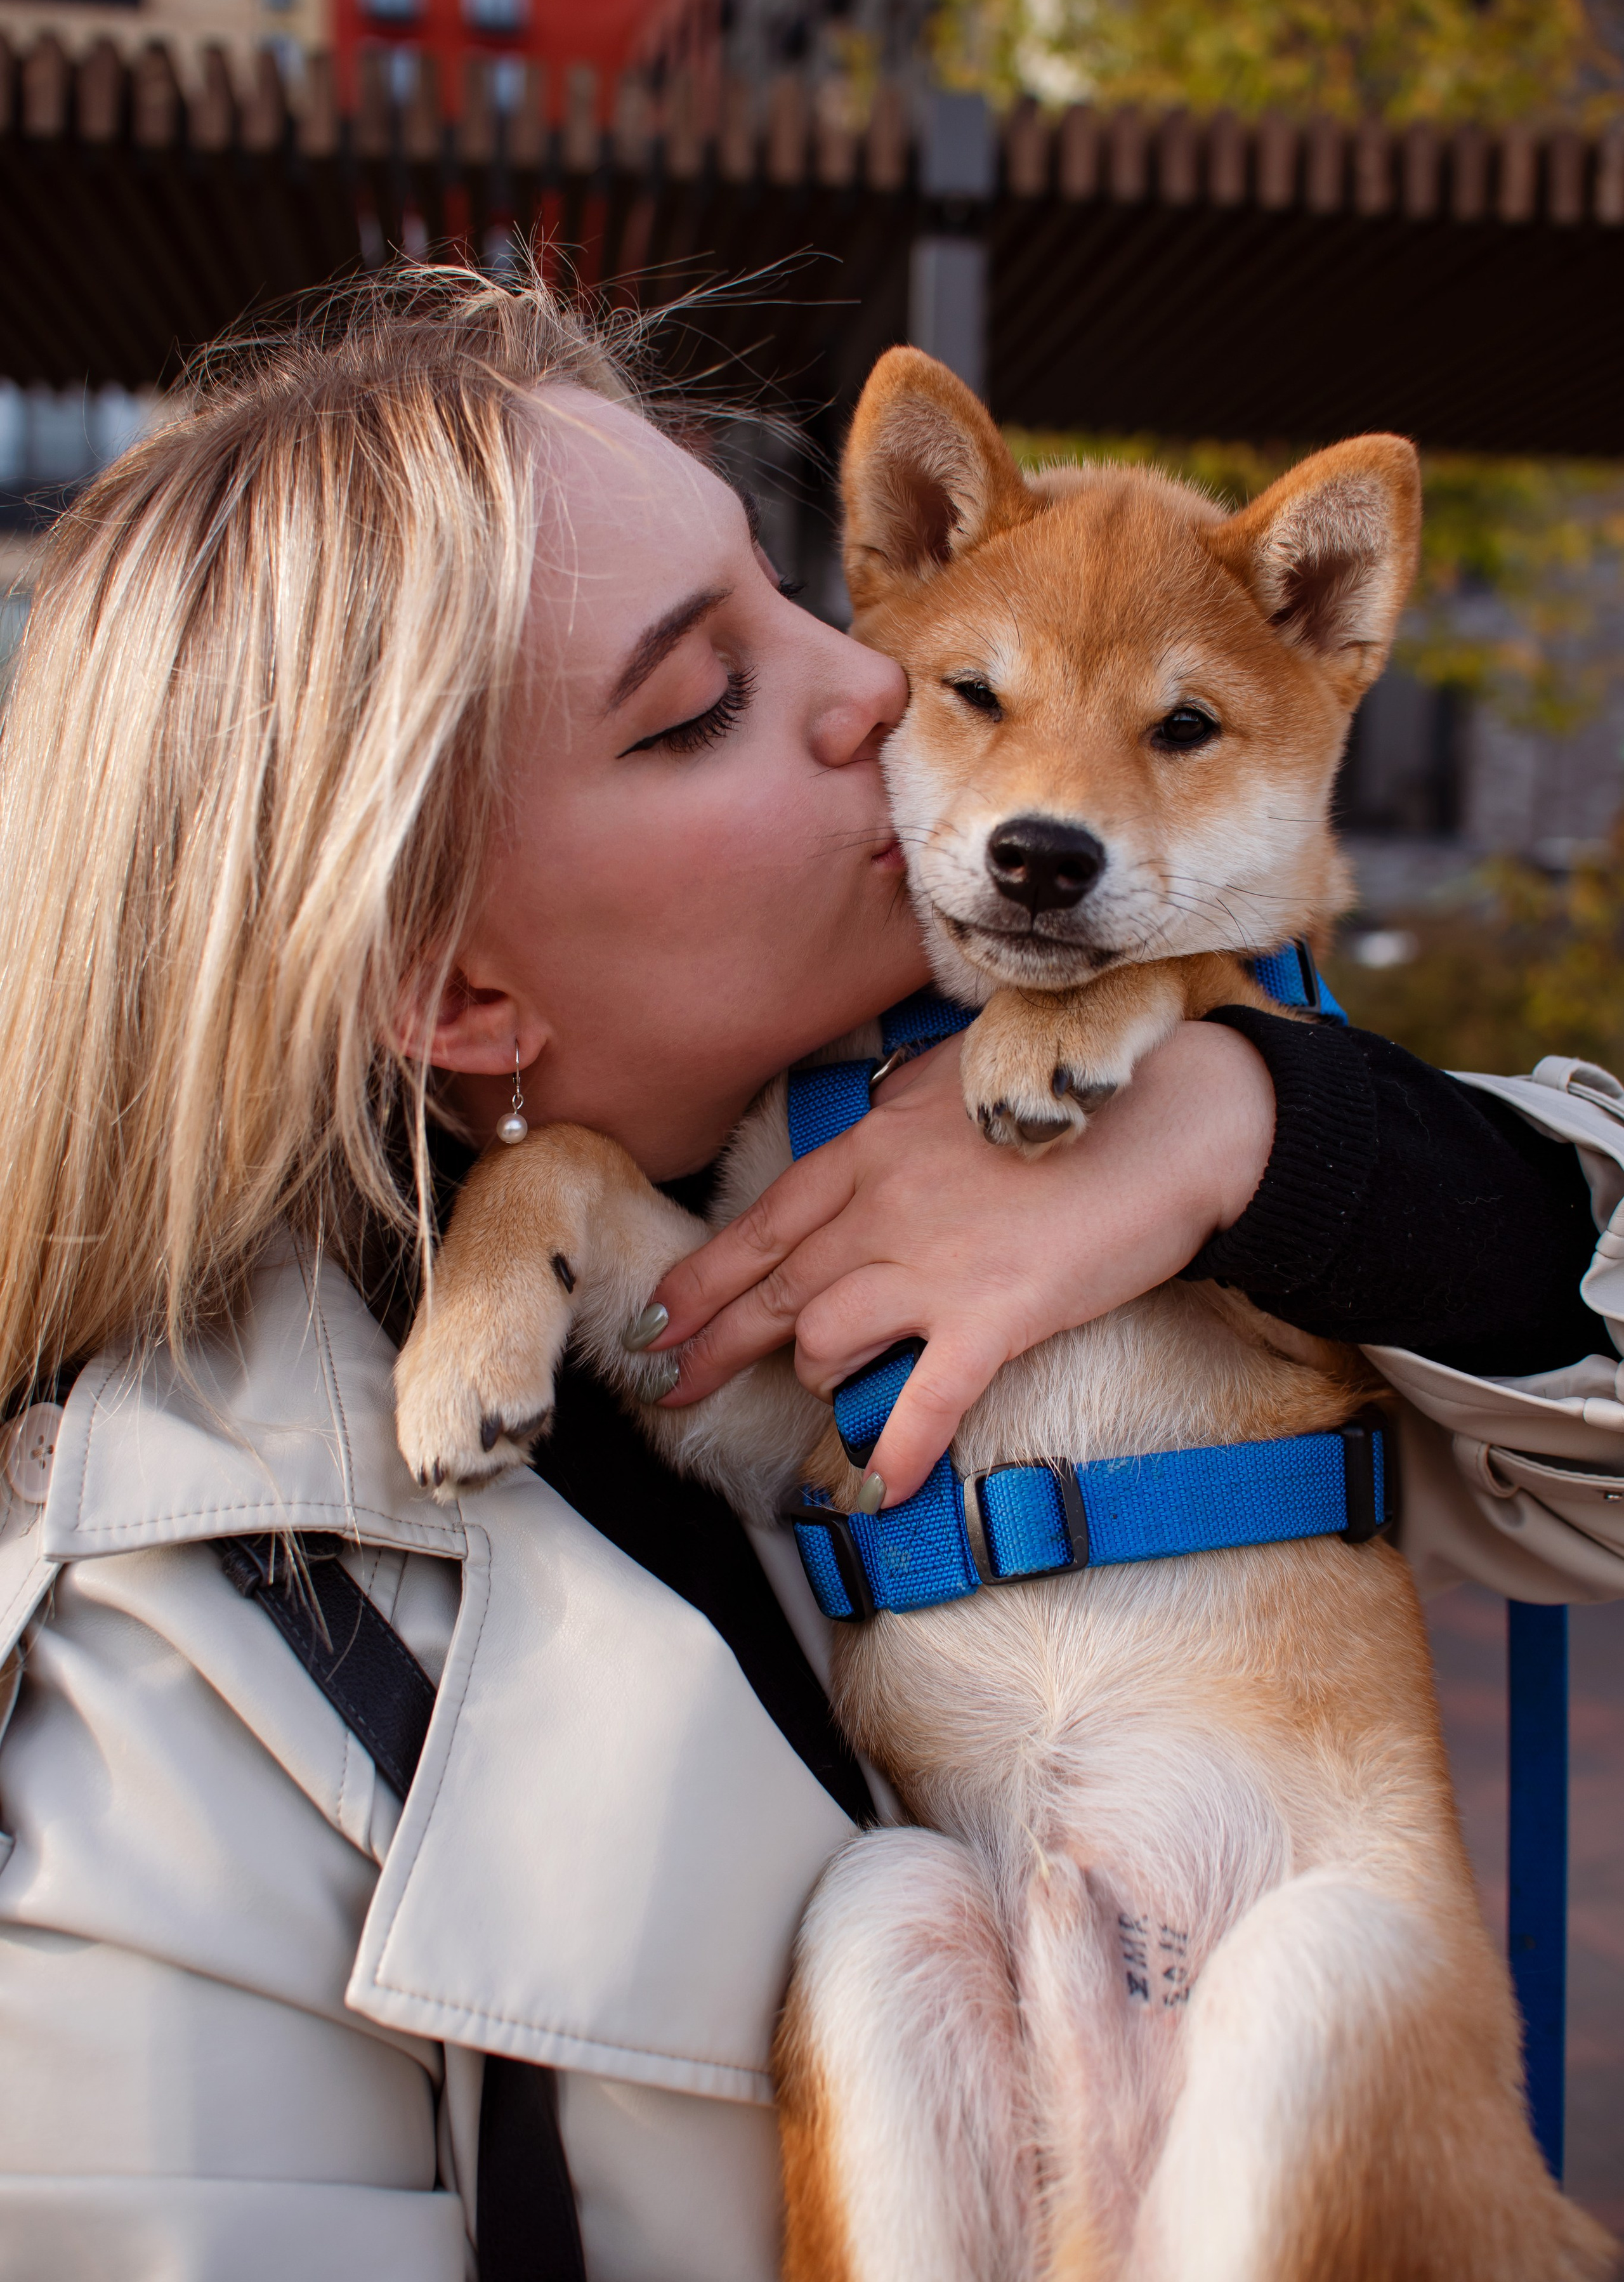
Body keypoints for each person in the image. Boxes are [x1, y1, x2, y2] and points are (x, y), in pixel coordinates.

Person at [0, 269, 1619, 2282]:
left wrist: (1263, 1135)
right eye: (702, 701)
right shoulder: (158, 1720)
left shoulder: (1045, 1116)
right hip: (1000, 2074)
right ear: (460, 992)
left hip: (1270, 1991)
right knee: (886, 1921)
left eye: (789, 597)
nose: (874, 682)